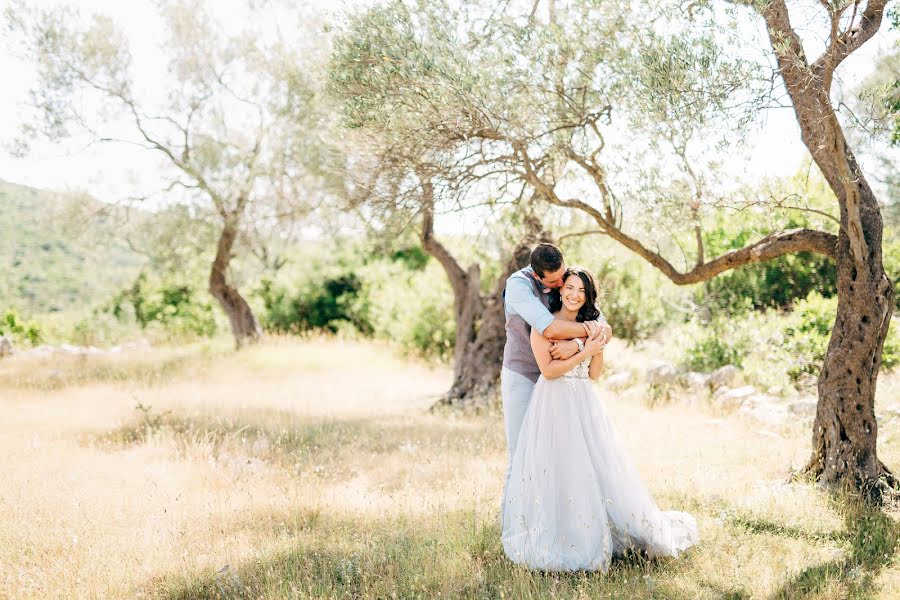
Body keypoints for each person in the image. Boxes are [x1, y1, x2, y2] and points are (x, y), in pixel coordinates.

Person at [501, 267, 699, 572]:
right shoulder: (544, 325)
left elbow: (594, 374)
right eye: (569, 287)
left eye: (581, 291)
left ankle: (600, 527)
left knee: (595, 464)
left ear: (588, 296)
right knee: (558, 465)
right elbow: (549, 371)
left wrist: (593, 350)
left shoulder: (591, 325)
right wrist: (586, 348)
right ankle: (562, 531)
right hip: (552, 401)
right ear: (560, 288)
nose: (574, 295)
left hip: (583, 401)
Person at [501, 243, 612, 511]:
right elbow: (548, 327)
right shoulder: (519, 285)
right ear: (538, 277)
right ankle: (515, 522)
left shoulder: (568, 280)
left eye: (563, 276)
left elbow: (604, 327)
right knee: (522, 451)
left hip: (563, 383)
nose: (563, 284)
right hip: (524, 374)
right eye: (555, 281)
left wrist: (576, 343)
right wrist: (585, 340)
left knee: (562, 453)